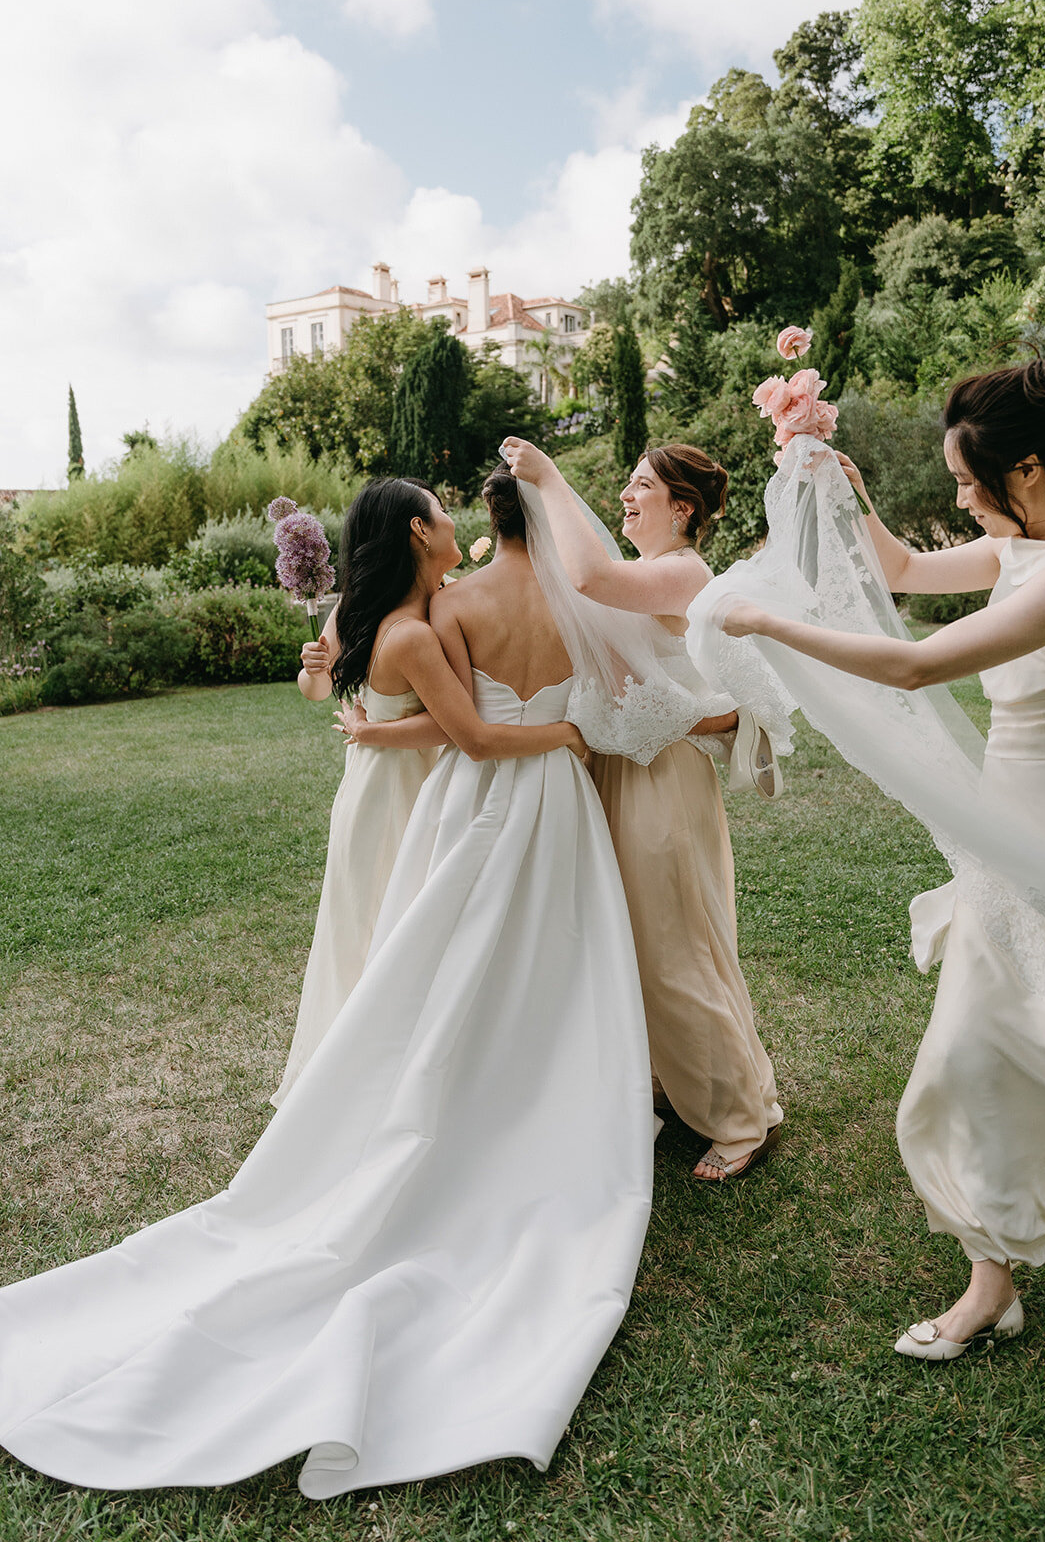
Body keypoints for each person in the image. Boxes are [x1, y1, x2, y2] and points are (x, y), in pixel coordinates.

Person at [0, 468, 655, 1498]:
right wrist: (572, 733)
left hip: (471, 801)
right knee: (535, 960)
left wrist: (361, 704)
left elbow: (444, 715)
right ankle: (524, 1093)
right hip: (546, 798)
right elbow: (527, 710)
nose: (447, 525)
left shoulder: (450, 605)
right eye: (431, 515)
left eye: (455, 510)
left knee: (437, 959)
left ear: (478, 521)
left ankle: (453, 1087)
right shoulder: (548, 610)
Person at [713, 360, 1045, 1357]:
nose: (958, 498)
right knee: (972, 1049)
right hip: (1007, 832)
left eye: (965, 481)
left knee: (1032, 1043)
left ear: (1027, 471)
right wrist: (832, 479)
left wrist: (769, 623)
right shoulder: (1014, 551)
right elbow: (903, 571)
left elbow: (914, 661)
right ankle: (988, 1282)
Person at [501, 438, 784, 1182]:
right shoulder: (647, 572)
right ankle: (672, 1079)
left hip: (661, 780)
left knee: (672, 948)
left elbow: (588, 577)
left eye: (638, 486)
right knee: (630, 942)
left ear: (680, 508)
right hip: (621, 771)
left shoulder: (681, 570)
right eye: (625, 485)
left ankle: (738, 1120)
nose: (624, 497)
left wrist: (551, 478)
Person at [272, 477, 583, 1104]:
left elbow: (417, 715)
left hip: (391, 781)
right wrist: (317, 677)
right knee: (394, 930)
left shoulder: (403, 606)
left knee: (389, 926)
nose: (451, 519)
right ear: (418, 531)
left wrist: (368, 728)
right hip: (399, 794)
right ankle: (380, 1075)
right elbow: (454, 721)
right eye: (440, 512)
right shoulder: (406, 630)